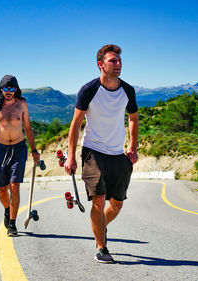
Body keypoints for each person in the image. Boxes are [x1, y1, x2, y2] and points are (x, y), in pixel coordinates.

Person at [64, 44, 138, 263]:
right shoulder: (89, 90)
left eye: (119, 61)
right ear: (101, 65)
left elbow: (133, 118)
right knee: (99, 199)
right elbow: (76, 123)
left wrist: (133, 147)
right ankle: (101, 248)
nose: (118, 64)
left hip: (117, 155)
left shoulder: (128, 90)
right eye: (113, 61)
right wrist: (71, 155)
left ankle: (100, 228)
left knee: (116, 204)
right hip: (93, 151)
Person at [0, 75, 40, 237]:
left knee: (14, 186)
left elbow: (28, 127)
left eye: (12, 88)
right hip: (1, 150)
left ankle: (12, 224)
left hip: (19, 149)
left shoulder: (22, 104)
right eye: (6, 88)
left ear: (16, 89)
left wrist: (34, 150)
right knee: (1, 190)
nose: (9, 91)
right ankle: (7, 209)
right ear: (1, 89)